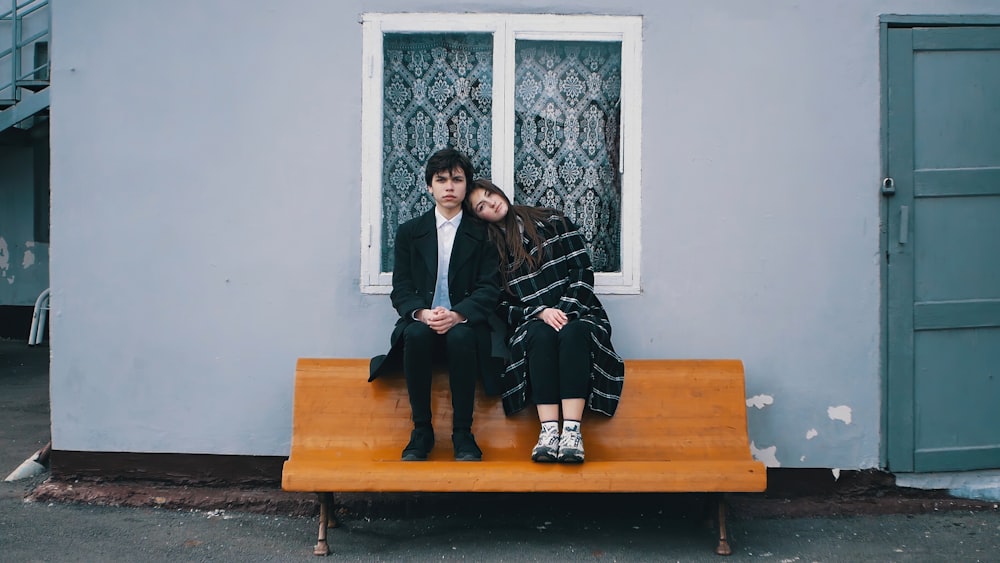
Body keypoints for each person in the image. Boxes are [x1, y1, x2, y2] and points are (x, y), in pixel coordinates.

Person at [464, 179, 625, 463]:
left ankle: (572, 432)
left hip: (581, 312)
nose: (492, 204)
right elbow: (498, 303)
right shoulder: (490, 252)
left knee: (573, 333)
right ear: (478, 217)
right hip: (530, 324)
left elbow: (582, 270)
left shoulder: (552, 221)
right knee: (540, 335)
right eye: (482, 206)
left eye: (490, 195)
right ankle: (549, 431)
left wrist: (563, 310)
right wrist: (538, 312)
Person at [369, 149, 501, 462]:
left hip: (465, 329)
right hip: (422, 326)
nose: (449, 186)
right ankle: (421, 431)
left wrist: (458, 315)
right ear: (430, 186)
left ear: (466, 186)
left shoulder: (482, 234)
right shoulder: (410, 232)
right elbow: (400, 287)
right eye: (441, 180)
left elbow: (489, 288)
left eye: (457, 179)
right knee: (414, 334)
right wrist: (422, 313)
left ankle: (462, 433)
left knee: (461, 335)